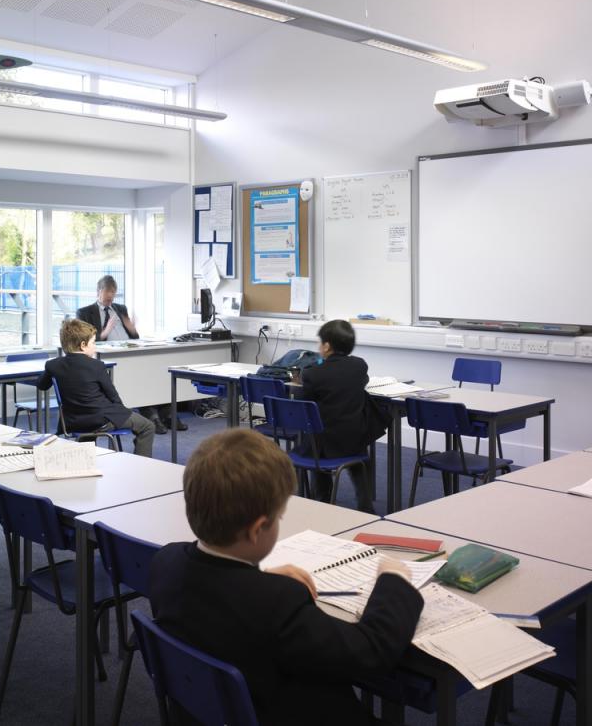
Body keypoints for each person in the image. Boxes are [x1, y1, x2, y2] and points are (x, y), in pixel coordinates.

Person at [148, 429, 423, 725]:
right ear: (257, 530)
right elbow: (370, 652)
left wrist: (260, 578)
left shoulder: (165, 562)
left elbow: (222, 593)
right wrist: (393, 581)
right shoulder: (277, 604)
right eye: (279, 518)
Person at [75, 275, 183, 434]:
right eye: (107, 296)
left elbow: (134, 337)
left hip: (130, 351)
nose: (110, 299)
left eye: (113, 295)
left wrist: (132, 329)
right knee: (140, 377)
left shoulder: (120, 308)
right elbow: (85, 341)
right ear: (99, 292)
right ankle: (151, 416)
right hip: (107, 357)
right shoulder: (84, 312)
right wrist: (105, 332)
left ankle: (168, 414)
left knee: (157, 372)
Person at [38, 318, 155, 457]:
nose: (95, 347)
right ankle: (141, 464)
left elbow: (42, 385)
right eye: (93, 343)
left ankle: (84, 459)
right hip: (100, 421)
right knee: (148, 427)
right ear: (83, 345)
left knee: (90, 416)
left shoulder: (53, 365)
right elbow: (113, 396)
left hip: (73, 422)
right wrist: (122, 413)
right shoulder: (97, 365)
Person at [295, 318, 375, 512]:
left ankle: (323, 499)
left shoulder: (312, 374)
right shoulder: (359, 366)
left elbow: (301, 404)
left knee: (317, 438)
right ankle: (365, 505)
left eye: (320, 342)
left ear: (327, 346)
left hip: (323, 446)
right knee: (358, 449)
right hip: (354, 440)